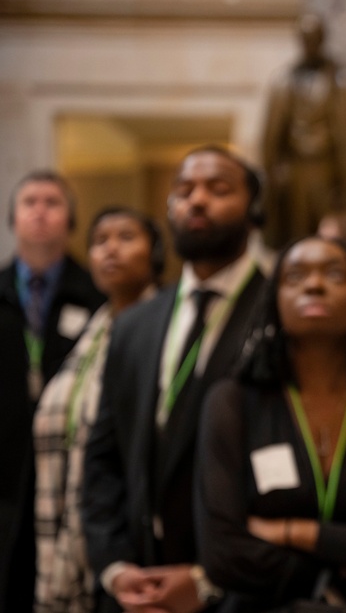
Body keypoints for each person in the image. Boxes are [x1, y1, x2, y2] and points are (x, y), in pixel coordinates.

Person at [83, 145, 268, 613]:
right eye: (183, 191)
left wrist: (209, 579)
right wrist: (116, 567)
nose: (197, 200)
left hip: (239, 590)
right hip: (135, 588)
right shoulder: (135, 323)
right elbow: (104, 457)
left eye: (218, 189)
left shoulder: (277, 315)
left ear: (254, 209)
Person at [197, 236, 346, 612]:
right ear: (274, 300)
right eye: (295, 276)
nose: (314, 285)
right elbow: (222, 553)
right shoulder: (232, 402)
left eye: (334, 274)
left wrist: (297, 533)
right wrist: (333, 573)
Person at [34, 207, 163, 613]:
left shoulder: (165, 325)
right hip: (68, 531)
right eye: (99, 241)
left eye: (126, 237)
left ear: (155, 252)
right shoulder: (91, 331)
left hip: (135, 537)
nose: (111, 249)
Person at [0, 171, 105, 613]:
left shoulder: (99, 294)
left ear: (71, 221)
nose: (40, 211)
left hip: (70, 477)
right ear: (13, 219)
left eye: (52, 202)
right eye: (30, 202)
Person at [262, 12, 346, 249]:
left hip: (329, 170)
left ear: (322, 39)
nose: (310, 43)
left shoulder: (343, 80)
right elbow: (271, 137)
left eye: (314, 38)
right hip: (295, 171)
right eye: (305, 38)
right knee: (295, 236)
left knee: (332, 237)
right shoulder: (283, 82)